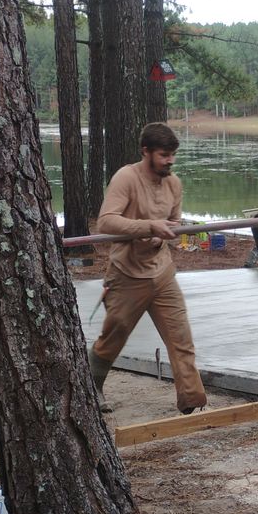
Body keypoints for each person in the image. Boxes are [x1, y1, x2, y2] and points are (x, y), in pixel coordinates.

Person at [89, 122, 207, 415]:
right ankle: (90, 387)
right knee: (113, 336)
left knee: (181, 335)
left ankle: (191, 399)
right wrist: (147, 226)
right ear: (146, 151)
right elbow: (106, 221)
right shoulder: (126, 178)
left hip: (162, 271)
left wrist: (164, 232)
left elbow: (174, 222)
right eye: (164, 155)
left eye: (172, 155)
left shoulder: (174, 183)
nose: (170, 161)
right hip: (127, 273)